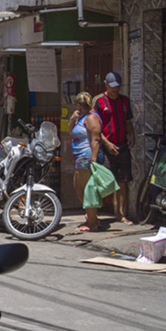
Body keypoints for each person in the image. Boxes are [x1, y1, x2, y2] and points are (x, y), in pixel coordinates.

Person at [93, 72, 135, 225]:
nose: (115, 90)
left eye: (117, 87)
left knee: (123, 181)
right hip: (106, 148)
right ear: (106, 85)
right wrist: (107, 144)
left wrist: (131, 135)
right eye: (112, 87)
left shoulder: (125, 101)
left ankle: (121, 214)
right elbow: (96, 127)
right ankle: (93, 213)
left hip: (123, 146)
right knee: (105, 182)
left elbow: (128, 121)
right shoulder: (99, 101)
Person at [70, 92, 104, 232]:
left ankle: (92, 222)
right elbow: (71, 132)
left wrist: (94, 160)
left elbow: (96, 139)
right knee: (79, 188)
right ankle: (92, 217)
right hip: (80, 156)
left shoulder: (91, 118)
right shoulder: (82, 117)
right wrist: (72, 120)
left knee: (87, 190)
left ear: (79, 104)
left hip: (87, 156)